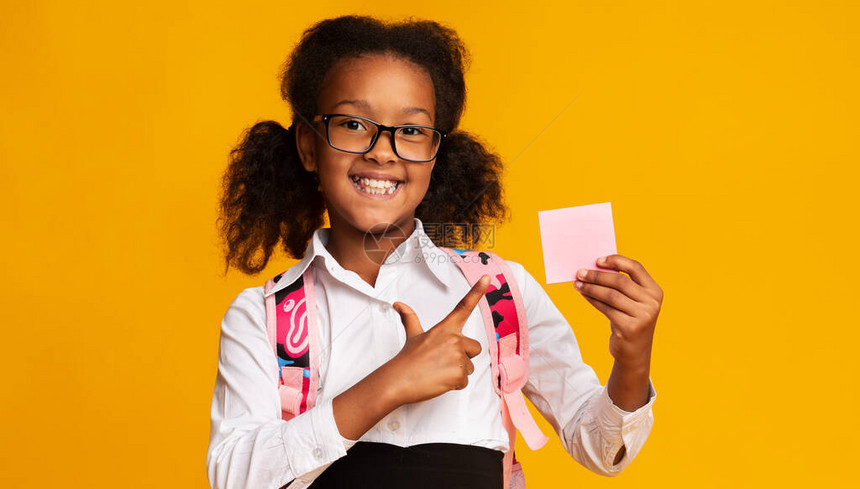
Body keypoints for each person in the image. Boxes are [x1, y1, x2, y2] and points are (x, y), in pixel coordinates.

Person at [207, 15, 663, 489]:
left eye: (411, 131)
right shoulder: (263, 319)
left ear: (436, 155)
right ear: (307, 147)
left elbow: (601, 447)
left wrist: (632, 359)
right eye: (352, 123)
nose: (383, 151)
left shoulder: (500, 293)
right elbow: (235, 478)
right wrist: (389, 384)